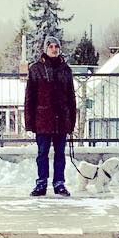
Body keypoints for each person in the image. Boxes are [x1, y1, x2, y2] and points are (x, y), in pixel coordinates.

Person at [24, 35, 77, 196]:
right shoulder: (35, 69)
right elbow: (29, 97)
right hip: (42, 120)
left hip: (61, 120)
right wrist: (29, 122)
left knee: (60, 154)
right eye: (51, 46)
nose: (54, 49)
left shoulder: (66, 70)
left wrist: (71, 122)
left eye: (56, 46)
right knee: (42, 154)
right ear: (45, 49)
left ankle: (59, 183)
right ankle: (41, 184)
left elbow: (71, 98)